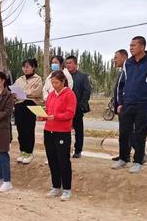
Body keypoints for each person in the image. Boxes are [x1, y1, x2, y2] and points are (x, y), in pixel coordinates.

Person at [112, 36, 147, 173]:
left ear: (142, 47)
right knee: (124, 132)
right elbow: (122, 84)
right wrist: (121, 102)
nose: (131, 48)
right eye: (130, 45)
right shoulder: (128, 63)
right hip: (128, 103)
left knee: (140, 133)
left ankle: (138, 161)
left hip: (144, 104)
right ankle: (123, 158)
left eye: (134, 45)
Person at [39, 70, 77, 201]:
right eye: (52, 82)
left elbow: (70, 113)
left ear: (63, 81)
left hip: (62, 131)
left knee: (63, 160)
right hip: (49, 130)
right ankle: (55, 186)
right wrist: (42, 117)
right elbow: (48, 112)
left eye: (56, 82)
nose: (54, 85)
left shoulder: (69, 94)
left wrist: (56, 116)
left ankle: (67, 189)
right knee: (52, 159)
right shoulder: (50, 96)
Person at [13, 58, 43, 164]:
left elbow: (37, 92)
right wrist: (23, 93)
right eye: (23, 67)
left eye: (28, 66)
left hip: (30, 105)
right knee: (20, 130)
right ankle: (23, 152)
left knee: (29, 130)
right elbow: (15, 93)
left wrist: (23, 93)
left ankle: (29, 153)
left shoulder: (38, 79)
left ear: (33, 67)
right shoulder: (19, 80)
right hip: (19, 106)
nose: (25, 69)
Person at [65, 55, 91, 158]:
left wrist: (82, 105)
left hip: (77, 107)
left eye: (70, 63)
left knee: (78, 130)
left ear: (76, 64)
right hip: (65, 108)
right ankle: (65, 148)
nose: (68, 65)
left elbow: (87, 91)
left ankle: (78, 150)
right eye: (66, 63)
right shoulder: (64, 76)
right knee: (65, 130)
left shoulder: (82, 76)